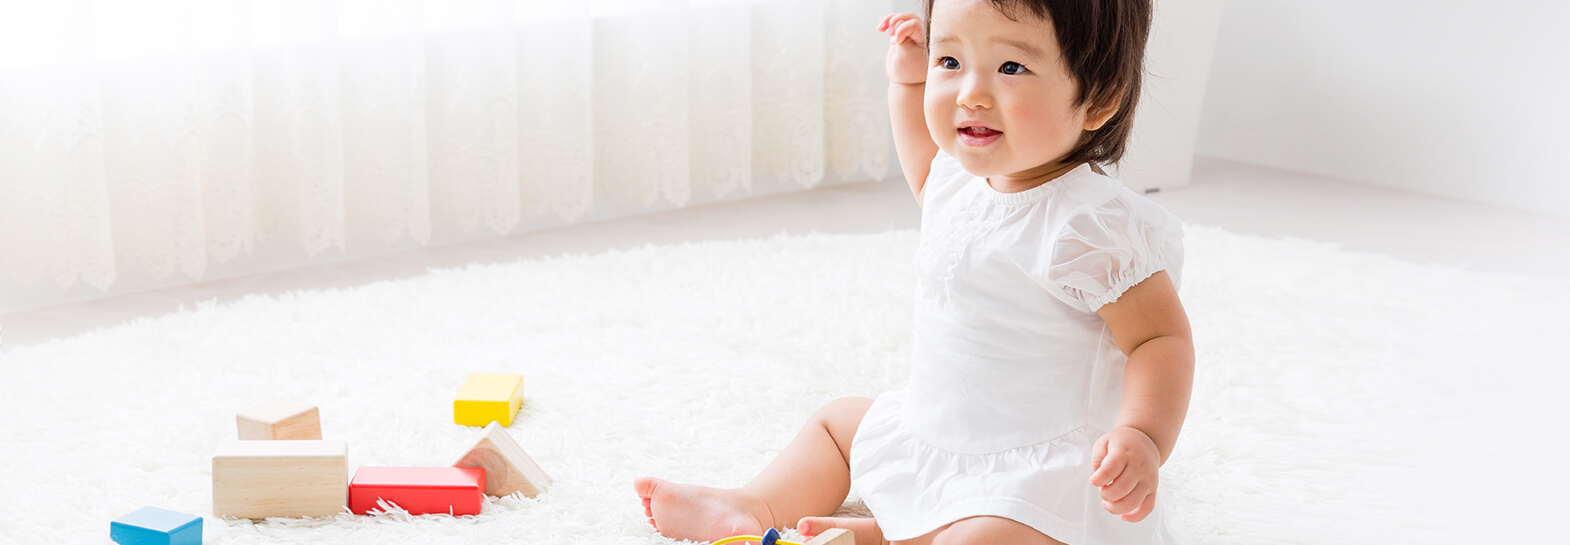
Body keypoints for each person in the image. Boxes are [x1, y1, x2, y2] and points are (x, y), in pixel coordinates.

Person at [635, 0, 1194, 543]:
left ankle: (896, 536)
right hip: (935, 430)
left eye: (1011, 67)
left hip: (1034, 469)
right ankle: (753, 506)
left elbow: (1160, 338)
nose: (970, 94)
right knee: (836, 425)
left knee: (984, 536)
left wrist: (1143, 435)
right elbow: (920, 154)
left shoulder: (1091, 225)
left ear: (1099, 99)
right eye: (949, 61)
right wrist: (906, 80)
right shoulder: (956, 181)